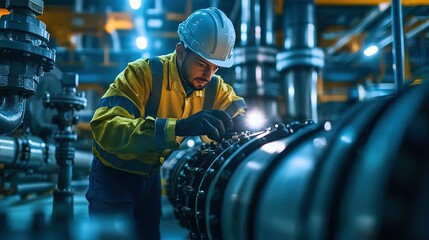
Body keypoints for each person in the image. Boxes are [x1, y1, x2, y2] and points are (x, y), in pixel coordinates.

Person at [85, 7, 247, 240]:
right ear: (181, 52)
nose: (208, 75)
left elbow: (238, 109)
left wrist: (244, 122)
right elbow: (106, 127)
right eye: (202, 64)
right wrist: (179, 127)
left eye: (215, 67)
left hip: (149, 178)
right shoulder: (143, 75)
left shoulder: (214, 87)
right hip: (112, 177)